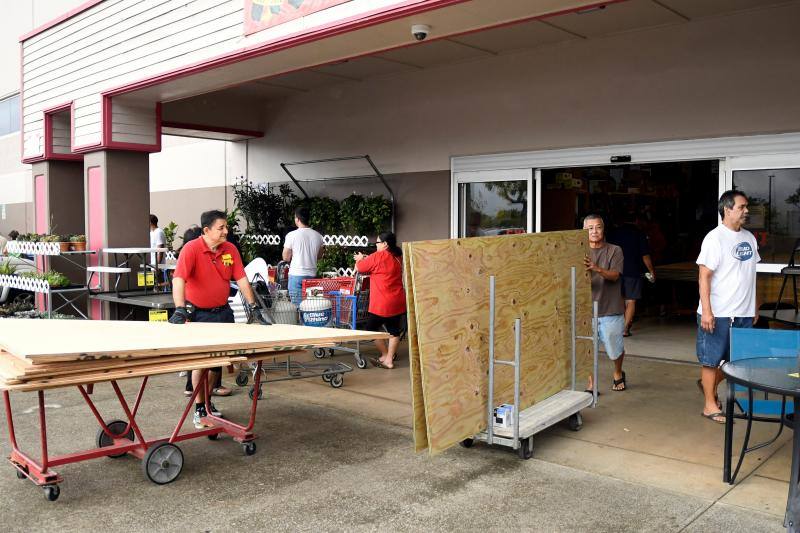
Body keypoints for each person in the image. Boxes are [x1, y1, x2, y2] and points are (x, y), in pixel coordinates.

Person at [169, 210, 267, 429]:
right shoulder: (191, 249)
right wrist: (179, 308)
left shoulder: (229, 249)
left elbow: (241, 279)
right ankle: (199, 408)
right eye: (221, 227)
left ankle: (208, 404)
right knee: (200, 363)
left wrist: (254, 307)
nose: (226, 231)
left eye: (226, 227)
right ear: (206, 230)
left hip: (223, 312)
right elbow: (179, 280)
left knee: (218, 364)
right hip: (198, 314)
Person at [696, 190, 759, 424]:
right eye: (742, 207)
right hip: (719, 312)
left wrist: (755, 305)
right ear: (727, 209)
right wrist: (708, 311)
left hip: (743, 312)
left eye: (746, 207)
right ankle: (709, 405)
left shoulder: (750, 238)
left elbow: (752, 274)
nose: (746, 211)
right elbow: (704, 276)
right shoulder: (715, 238)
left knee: (738, 360)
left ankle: (707, 386)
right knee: (711, 360)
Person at [583, 214, 627, 392]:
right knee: (587, 350)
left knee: (614, 349)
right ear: (584, 231)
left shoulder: (615, 250)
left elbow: (615, 275)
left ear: (603, 229)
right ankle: (591, 384)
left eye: (598, 227)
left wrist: (596, 268)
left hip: (610, 309)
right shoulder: (579, 251)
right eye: (590, 228)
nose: (594, 231)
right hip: (585, 311)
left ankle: (618, 372)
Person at [354, 232, 406, 369]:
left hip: (382, 302)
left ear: (385, 244)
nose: (375, 245)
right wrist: (366, 257)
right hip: (397, 300)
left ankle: (384, 354)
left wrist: (359, 259)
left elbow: (361, 268)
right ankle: (389, 359)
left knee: (370, 330)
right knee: (394, 331)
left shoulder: (378, 256)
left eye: (377, 242)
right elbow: (378, 264)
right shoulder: (398, 257)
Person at [608, 214, 656, 337]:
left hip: (615, 271)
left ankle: (614, 327)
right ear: (636, 220)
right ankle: (624, 329)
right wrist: (651, 271)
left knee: (618, 300)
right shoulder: (639, 234)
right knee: (630, 301)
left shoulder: (613, 233)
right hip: (632, 272)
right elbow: (645, 255)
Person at [282, 206, 324, 304]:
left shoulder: (291, 235)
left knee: (298, 307)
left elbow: (286, 257)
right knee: (313, 306)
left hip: (296, 275)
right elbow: (319, 256)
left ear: (297, 219)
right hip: (312, 276)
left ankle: (299, 319)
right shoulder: (318, 236)